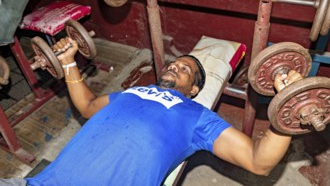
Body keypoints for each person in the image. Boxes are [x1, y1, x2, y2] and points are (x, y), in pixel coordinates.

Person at [2, 37, 303, 186]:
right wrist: (68, 60)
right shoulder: (131, 92)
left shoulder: (195, 115)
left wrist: (288, 102)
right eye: (175, 63)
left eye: (186, 69)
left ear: (194, 90)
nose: (175, 65)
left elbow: (258, 161)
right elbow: (87, 106)